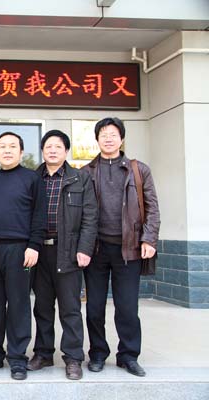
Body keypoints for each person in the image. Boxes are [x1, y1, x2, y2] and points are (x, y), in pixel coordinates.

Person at [82, 117, 160, 377]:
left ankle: (128, 355)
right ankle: (97, 353)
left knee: (127, 308)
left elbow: (152, 208)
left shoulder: (139, 170)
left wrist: (149, 239)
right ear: (97, 139)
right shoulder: (86, 172)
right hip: (96, 250)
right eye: (103, 134)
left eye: (113, 134)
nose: (108, 138)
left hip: (129, 249)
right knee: (94, 307)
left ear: (122, 139)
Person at [0, 132, 45, 380]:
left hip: (21, 251)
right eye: (2, 147)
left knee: (18, 305)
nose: (7, 150)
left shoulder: (32, 179)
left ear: (21, 152)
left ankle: (17, 358)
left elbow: (40, 215)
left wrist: (34, 245)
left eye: (12, 146)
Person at [27, 130, 97, 380]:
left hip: (68, 250)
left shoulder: (80, 178)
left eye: (58, 146)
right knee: (42, 307)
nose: (53, 150)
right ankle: (43, 353)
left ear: (66, 151)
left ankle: (73, 357)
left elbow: (90, 217)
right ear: (42, 151)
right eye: (48, 146)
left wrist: (84, 249)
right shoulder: (33, 178)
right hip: (38, 251)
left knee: (70, 308)